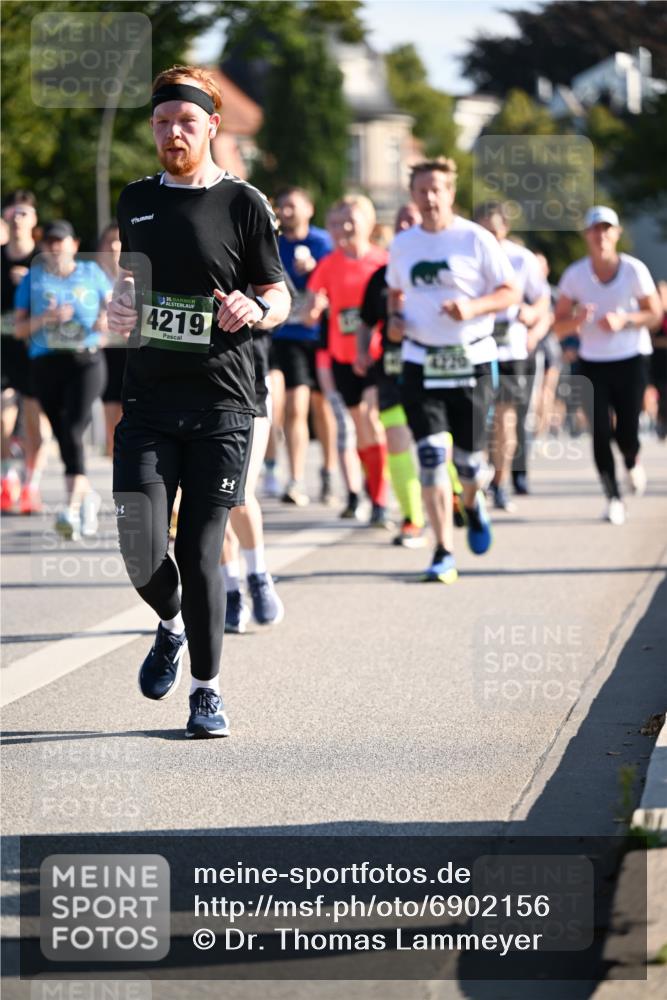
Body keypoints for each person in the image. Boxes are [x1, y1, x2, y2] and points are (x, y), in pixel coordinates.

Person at [107, 65, 289, 739]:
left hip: (222, 402)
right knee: (138, 542)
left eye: (185, 121)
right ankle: (171, 623)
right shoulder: (135, 200)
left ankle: (206, 692)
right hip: (150, 398)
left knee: (201, 546)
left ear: (211, 125)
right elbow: (135, 288)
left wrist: (257, 304)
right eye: (161, 122)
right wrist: (122, 301)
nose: (171, 133)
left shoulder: (244, 203)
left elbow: (280, 293)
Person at [386, 158, 519, 582]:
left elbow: (509, 291)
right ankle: (443, 550)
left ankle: (473, 500)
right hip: (420, 360)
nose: (428, 197)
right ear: (413, 195)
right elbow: (394, 290)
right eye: (421, 189)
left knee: (468, 463)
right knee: (429, 457)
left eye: (436, 189)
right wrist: (394, 318)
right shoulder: (404, 244)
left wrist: (472, 308)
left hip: (473, 360)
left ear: (450, 194)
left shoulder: (475, 239)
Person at [553, 206, 662, 525]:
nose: (600, 235)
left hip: (631, 359)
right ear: (587, 235)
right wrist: (577, 320)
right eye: (594, 229)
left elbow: (654, 314)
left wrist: (625, 320)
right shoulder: (575, 275)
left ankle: (631, 458)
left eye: (606, 229)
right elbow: (557, 326)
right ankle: (613, 496)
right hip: (593, 362)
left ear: (615, 233)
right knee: (600, 431)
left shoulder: (633, 270)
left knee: (627, 430)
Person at [14, 219, 109, 537]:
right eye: (49, 241)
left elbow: (111, 312)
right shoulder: (33, 278)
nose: (55, 247)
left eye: (61, 241)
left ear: (74, 244)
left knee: (71, 429)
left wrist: (102, 322)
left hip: (85, 361)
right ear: (43, 246)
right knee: (64, 435)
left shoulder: (92, 274)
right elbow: (18, 328)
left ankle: (69, 510)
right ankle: (86, 497)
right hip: (45, 364)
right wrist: (46, 318)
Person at [307, 195, 390, 526]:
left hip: (376, 355)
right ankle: (369, 492)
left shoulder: (383, 262)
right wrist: (313, 308)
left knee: (372, 421)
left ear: (369, 224)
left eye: (352, 220)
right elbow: (313, 307)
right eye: (340, 221)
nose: (345, 227)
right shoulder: (329, 264)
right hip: (342, 356)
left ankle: (380, 500)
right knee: (360, 428)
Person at [356, 202, 427, 547]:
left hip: (435, 367)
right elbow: (366, 321)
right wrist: (360, 353)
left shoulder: (443, 270)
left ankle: (458, 491)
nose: (406, 225)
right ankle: (412, 517)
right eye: (401, 221)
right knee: (397, 438)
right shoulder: (381, 275)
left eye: (412, 220)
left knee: (435, 442)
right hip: (393, 368)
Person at [473, 202, 550, 511]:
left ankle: (500, 482)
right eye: (483, 231)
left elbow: (542, 297)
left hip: (511, 345)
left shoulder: (521, 258)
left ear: (505, 229)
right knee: (478, 417)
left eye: (494, 230)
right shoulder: (469, 255)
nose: (489, 237)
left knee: (505, 418)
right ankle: (475, 475)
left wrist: (532, 313)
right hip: (476, 342)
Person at [269, 186, 337, 507]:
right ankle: (295, 479)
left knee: (323, 408)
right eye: (281, 206)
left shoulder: (323, 243)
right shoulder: (273, 244)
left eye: (292, 206)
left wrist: (316, 273)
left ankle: (329, 471)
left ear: (309, 209)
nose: (286, 211)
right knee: (295, 405)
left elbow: (339, 282)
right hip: (287, 336)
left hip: (321, 335)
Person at [221, 319, 284, 633]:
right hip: (191, 390)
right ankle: (230, 588)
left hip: (248, 386)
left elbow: (281, 301)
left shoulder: (255, 266)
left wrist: (253, 308)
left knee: (238, 492)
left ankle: (258, 576)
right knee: (206, 498)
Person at [1, 190, 48, 515]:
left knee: (35, 422)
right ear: (5, 218)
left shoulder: (43, 261)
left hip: (36, 349)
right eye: (13, 214)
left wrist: (33, 282)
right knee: (2, 418)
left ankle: (31, 484)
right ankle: (8, 478)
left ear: (33, 222)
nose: (18, 219)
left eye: (24, 214)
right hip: (3, 347)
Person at [97, 222, 126, 457]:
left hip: (135, 352)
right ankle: (117, 464)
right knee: (111, 419)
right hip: (106, 352)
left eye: (120, 240)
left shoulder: (144, 276)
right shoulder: (90, 278)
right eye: (109, 241)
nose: (115, 246)